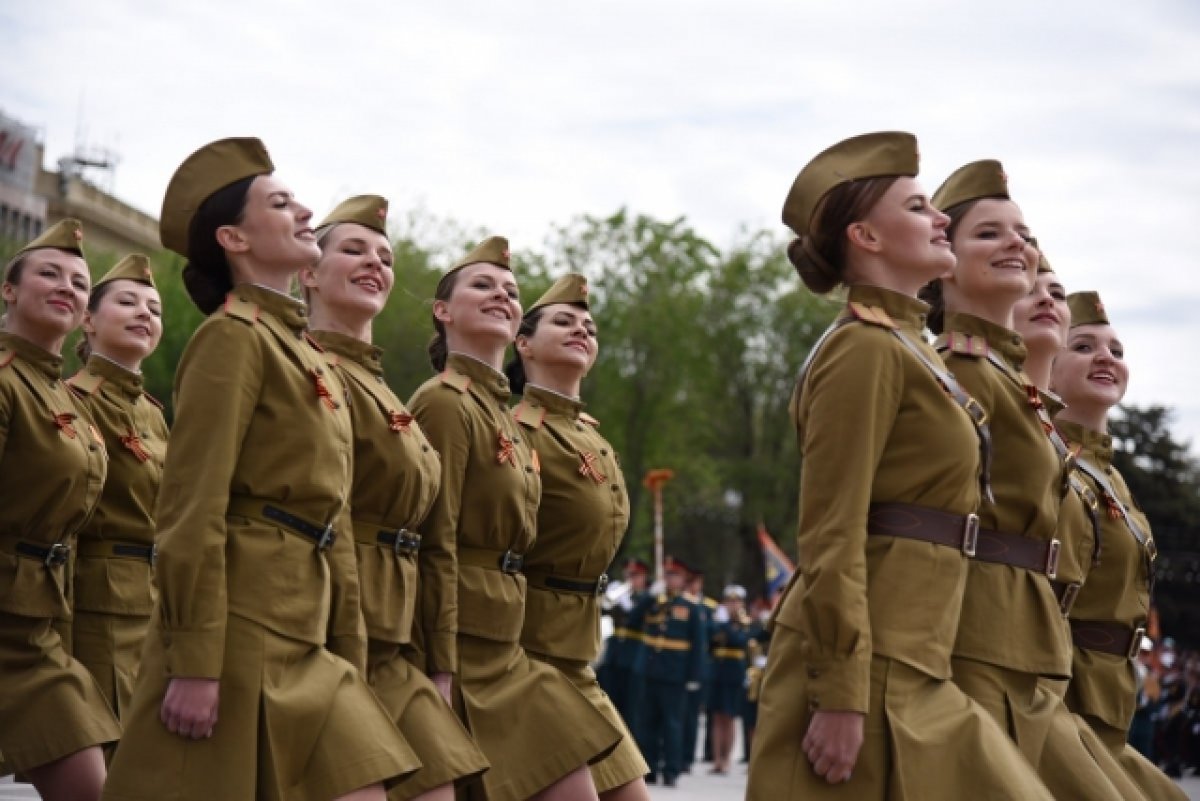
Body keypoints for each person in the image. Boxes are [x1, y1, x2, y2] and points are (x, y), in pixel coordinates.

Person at [101, 138, 417, 801]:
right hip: (242, 628)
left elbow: (330, 516)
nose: (304, 211)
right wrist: (193, 659)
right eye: (280, 203)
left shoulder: (298, 350)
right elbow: (191, 507)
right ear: (233, 238)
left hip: (307, 626)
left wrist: (346, 638)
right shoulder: (231, 338)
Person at [748, 133, 1051, 800]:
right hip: (870, 662)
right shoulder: (862, 348)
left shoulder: (910, 349)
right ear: (867, 236)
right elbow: (831, 532)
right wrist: (840, 693)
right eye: (918, 207)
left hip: (918, 659)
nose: (941, 216)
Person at [409, 238, 621, 801]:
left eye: (510, 290)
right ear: (443, 311)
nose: (502, 295)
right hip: (474, 648)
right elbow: (437, 539)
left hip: (511, 645)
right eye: (483, 286)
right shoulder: (447, 402)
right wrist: (440, 662)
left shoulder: (497, 412)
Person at [304, 194, 490, 801]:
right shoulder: (302, 369)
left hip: (397, 637)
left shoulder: (379, 387)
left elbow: (431, 537)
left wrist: (436, 654)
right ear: (308, 271)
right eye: (353, 250)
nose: (374, 263)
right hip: (331, 631)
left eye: (384, 256)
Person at [506, 272, 651, 801]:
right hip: (526, 652)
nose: (581, 331)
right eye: (563, 322)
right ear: (523, 343)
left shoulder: (590, 435)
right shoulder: (515, 431)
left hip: (576, 656)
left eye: (588, 326)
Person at [1053, 291, 1187, 800]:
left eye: (1117, 350)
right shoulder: (1047, 463)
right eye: (1084, 346)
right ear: (1046, 367)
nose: (1106, 358)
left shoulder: (1111, 478)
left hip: (1111, 694)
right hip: (1063, 692)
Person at [0, 219, 118, 801]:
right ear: (9, 290)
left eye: (78, 281)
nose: (66, 287)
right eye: (49, 273)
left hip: (36, 623)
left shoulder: (60, 394)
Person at [66, 254, 169, 728]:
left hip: (153, 604)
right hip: (99, 605)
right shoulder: (70, 400)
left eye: (154, 309)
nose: (144, 314)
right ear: (87, 321)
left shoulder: (151, 412)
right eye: (127, 302)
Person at [636, 557, 705, 788]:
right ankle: (650, 768)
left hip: (676, 674)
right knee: (648, 723)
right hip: (652, 670)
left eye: (675, 575)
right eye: (667, 575)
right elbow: (635, 619)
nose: (670, 579)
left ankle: (672, 770)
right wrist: (648, 596)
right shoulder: (655, 601)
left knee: (672, 724)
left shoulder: (691, 607)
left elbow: (698, 645)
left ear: (683, 579)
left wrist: (694, 676)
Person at [597, 556, 650, 733]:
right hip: (614, 656)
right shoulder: (619, 594)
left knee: (632, 709)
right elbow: (603, 609)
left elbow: (636, 619)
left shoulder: (648, 598)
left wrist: (631, 603)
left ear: (643, 577)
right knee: (612, 705)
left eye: (635, 576)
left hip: (635, 657)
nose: (630, 580)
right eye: (628, 575)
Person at [707, 584, 750, 775]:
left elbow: (739, 641)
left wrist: (724, 625)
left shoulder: (745, 623)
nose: (732, 605)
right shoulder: (718, 620)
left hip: (734, 673)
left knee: (730, 717)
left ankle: (727, 759)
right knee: (717, 717)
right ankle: (716, 759)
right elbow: (709, 637)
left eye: (736, 601)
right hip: (718, 671)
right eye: (729, 602)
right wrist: (718, 622)